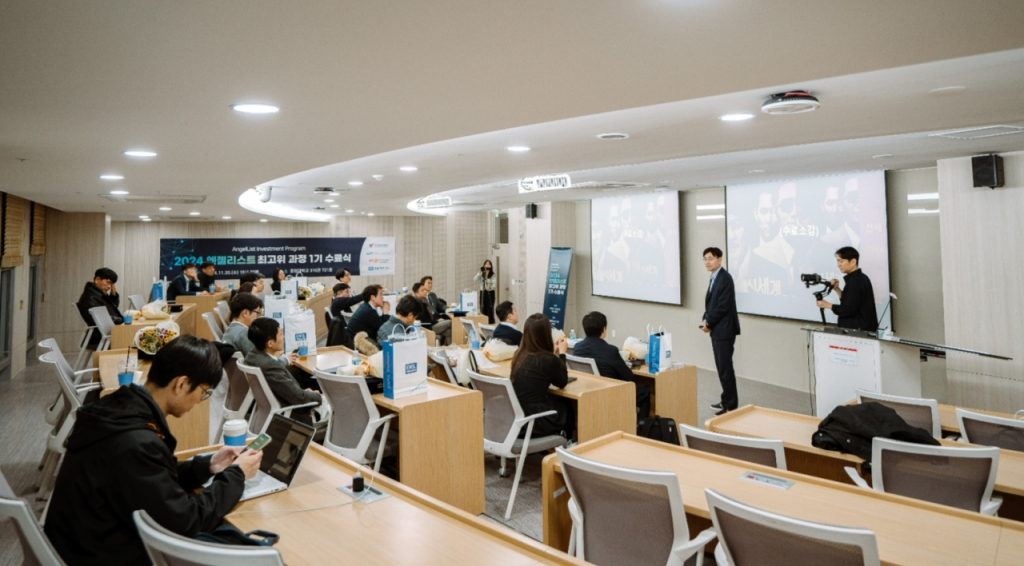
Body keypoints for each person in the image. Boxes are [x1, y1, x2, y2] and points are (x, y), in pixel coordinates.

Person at [44, 336, 263, 566]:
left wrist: (207, 466)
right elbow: (186, 523)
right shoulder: (135, 441)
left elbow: (148, 481)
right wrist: (236, 475)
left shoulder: (119, 408)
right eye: (204, 392)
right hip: (103, 555)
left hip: (85, 542)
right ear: (181, 384)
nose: (201, 401)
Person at [572, 311, 651, 418]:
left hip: (586, 394)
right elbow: (629, 378)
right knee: (644, 391)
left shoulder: (577, 348)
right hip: (610, 395)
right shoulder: (610, 351)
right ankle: (642, 430)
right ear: (604, 330)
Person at [245, 318, 323, 423]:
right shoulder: (270, 367)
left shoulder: (251, 356)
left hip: (270, 407)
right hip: (292, 414)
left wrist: (304, 392)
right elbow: (298, 397)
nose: (283, 337)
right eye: (281, 334)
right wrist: (317, 396)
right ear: (270, 343)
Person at [508, 314, 574, 439]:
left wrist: (553, 356)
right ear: (546, 334)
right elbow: (562, 382)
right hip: (535, 418)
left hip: (517, 415)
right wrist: (562, 354)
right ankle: (566, 440)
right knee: (566, 403)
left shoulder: (519, 355)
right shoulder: (548, 360)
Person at [701, 247, 741, 415]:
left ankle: (731, 405)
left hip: (724, 330)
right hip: (718, 328)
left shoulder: (725, 278)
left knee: (725, 368)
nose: (707, 262)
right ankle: (726, 400)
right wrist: (705, 319)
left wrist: (709, 322)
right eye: (705, 259)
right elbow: (711, 304)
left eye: (711, 258)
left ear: (720, 259)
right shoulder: (714, 277)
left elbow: (723, 306)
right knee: (722, 367)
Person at [222, 293, 297, 367]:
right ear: (245, 313)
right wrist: (285, 359)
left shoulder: (231, 329)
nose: (258, 317)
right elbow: (262, 362)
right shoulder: (244, 333)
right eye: (257, 313)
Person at [816, 246, 878, 331]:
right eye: (837, 261)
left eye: (841, 261)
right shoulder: (859, 278)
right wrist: (837, 289)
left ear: (853, 261)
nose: (838, 265)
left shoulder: (856, 281)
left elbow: (848, 310)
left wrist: (828, 305)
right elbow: (850, 301)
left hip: (857, 332)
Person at [77, 268, 125, 341]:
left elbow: (111, 310)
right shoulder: (90, 298)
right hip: (100, 336)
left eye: (111, 284)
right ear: (97, 279)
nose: (109, 286)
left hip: (106, 332)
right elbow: (104, 320)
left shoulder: (98, 294)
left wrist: (113, 296)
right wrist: (124, 320)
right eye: (108, 282)